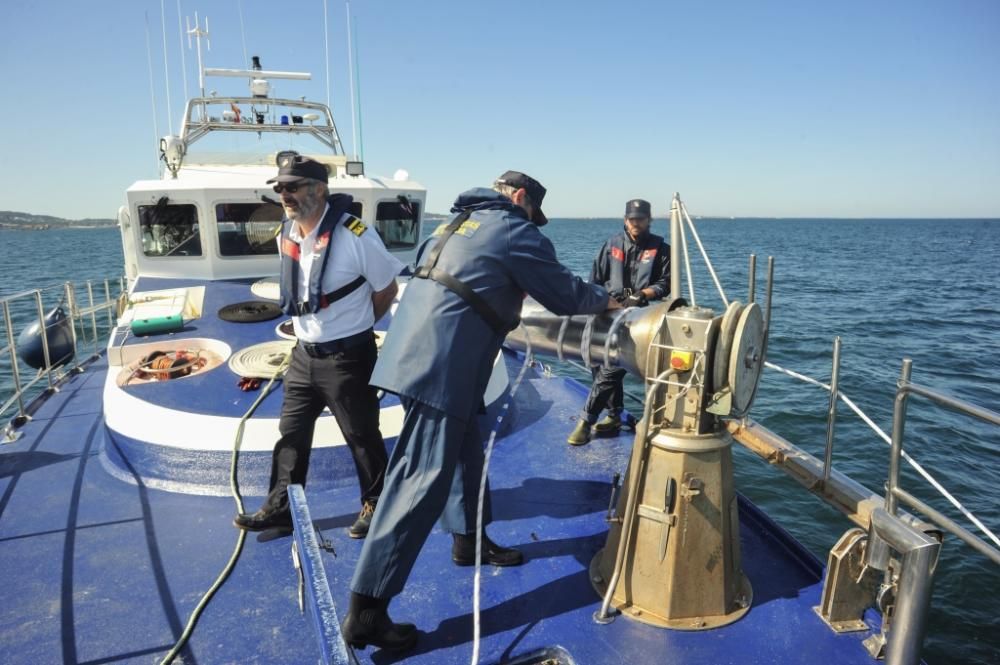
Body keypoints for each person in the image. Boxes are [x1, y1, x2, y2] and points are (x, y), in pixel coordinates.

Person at [340, 171, 621, 651]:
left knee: (466, 449)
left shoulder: (454, 224)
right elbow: (564, 295)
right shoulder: (513, 229)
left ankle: (469, 540)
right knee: (418, 479)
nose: (534, 222)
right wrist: (609, 300)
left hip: (415, 353)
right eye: (533, 212)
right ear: (518, 198)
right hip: (443, 364)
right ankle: (367, 609)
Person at [233, 154, 402, 539]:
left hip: (348, 357)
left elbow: (386, 288)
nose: (284, 195)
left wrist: (356, 328)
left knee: (361, 436)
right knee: (290, 434)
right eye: (280, 188)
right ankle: (280, 510)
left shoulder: (355, 234)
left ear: (319, 190)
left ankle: (376, 504)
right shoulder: (286, 234)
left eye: (292, 187)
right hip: (303, 356)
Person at [567, 198, 670, 446]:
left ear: (649, 220)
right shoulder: (611, 244)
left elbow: (666, 283)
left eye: (641, 219)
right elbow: (596, 278)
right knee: (596, 362)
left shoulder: (661, 248)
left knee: (610, 370)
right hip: (606, 312)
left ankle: (586, 421)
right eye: (632, 219)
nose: (636, 223)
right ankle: (614, 414)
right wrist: (597, 302)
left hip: (637, 319)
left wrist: (644, 294)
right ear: (626, 220)